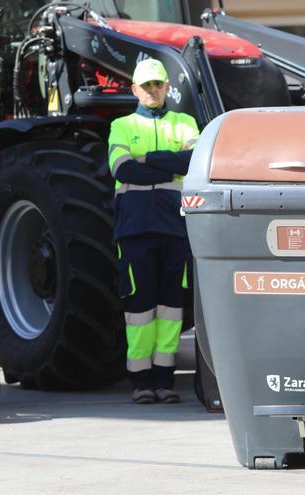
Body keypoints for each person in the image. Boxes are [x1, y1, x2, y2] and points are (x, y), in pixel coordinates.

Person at [108, 58, 200, 404]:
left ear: (166, 87)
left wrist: (147, 159)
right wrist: (169, 164)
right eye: (145, 86)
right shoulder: (121, 125)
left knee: (171, 308)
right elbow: (123, 170)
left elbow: (193, 163)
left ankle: (165, 380)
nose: (152, 90)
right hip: (135, 230)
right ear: (134, 89)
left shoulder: (185, 122)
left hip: (175, 229)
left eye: (157, 84)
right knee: (139, 308)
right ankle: (140, 381)